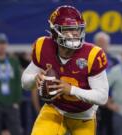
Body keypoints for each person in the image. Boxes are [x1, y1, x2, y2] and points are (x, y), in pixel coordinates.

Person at [21, 5, 109, 135]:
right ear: (55, 32)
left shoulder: (92, 54)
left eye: (77, 30)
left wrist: (71, 90)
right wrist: (35, 79)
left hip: (83, 116)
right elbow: (24, 83)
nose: (74, 34)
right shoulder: (43, 46)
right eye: (69, 30)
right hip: (55, 110)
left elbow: (102, 97)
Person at [0, 33, 22, 135]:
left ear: (6, 45)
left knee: (16, 131)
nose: (1, 46)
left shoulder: (13, 62)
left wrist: (17, 101)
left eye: (3, 43)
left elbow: (18, 82)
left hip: (12, 104)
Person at [94, 32, 119, 135]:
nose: (101, 46)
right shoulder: (89, 60)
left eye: (104, 43)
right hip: (94, 100)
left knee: (110, 129)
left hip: (111, 101)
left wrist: (112, 98)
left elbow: (119, 82)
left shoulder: (115, 61)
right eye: (99, 43)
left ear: (108, 44)